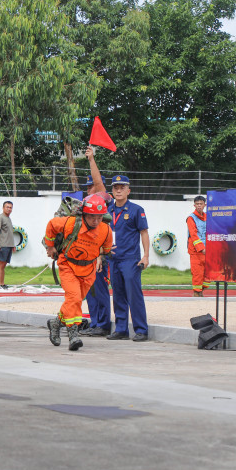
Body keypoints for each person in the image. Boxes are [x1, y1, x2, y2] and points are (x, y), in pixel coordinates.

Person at [44, 194, 113, 351]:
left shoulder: (106, 230)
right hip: (68, 265)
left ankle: (55, 324)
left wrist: (101, 255)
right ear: (84, 214)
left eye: (99, 217)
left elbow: (106, 248)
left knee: (73, 302)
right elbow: (51, 225)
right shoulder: (71, 223)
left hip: (88, 271)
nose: (96, 221)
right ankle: (73, 336)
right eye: (92, 217)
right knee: (74, 298)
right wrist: (50, 246)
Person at [106, 175, 150, 342]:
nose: (118, 190)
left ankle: (141, 330)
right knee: (118, 294)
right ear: (112, 191)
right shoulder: (108, 210)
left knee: (134, 295)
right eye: (116, 187)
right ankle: (121, 329)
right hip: (113, 258)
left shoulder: (136, 210)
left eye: (122, 187)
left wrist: (145, 256)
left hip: (130, 259)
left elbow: (144, 233)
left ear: (128, 191)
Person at [80, 147, 113, 336]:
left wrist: (91, 159)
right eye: (87, 187)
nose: (89, 189)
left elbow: (98, 182)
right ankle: (95, 322)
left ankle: (103, 324)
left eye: (91, 186)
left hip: (100, 254)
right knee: (89, 292)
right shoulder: (85, 203)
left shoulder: (102, 198)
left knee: (99, 290)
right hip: (86, 255)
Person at [187, 195, 208, 297]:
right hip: (196, 251)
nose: (199, 206)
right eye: (197, 204)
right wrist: (201, 248)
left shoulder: (208, 217)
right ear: (194, 205)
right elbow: (193, 234)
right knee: (197, 273)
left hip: (208, 250)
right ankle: (196, 294)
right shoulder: (191, 218)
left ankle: (201, 292)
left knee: (207, 274)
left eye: (201, 204)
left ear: (205, 205)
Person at [0, 200, 14, 289]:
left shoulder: (8, 218)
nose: (9, 209)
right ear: (3, 208)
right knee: (0, 264)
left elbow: (9, 233)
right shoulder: (0, 218)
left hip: (9, 245)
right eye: (7, 207)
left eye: (10, 207)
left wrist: (13, 245)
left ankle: (2, 283)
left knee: (3, 265)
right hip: (2, 245)